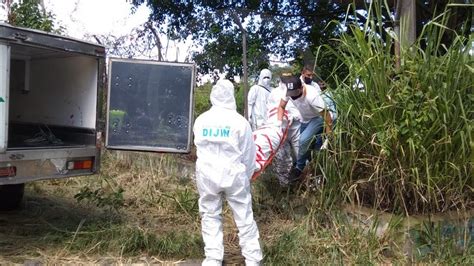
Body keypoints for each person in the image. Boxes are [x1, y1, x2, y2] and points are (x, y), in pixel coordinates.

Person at [193, 79, 263, 266]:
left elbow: (198, 147)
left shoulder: (201, 120)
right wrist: (247, 176)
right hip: (233, 174)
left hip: (207, 174)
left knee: (209, 214)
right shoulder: (240, 122)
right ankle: (253, 259)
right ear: (231, 95)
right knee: (244, 217)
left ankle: (213, 258)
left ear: (213, 95)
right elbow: (249, 154)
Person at [276, 73, 333, 182]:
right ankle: (309, 171)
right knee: (307, 147)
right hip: (304, 119)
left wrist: (328, 137)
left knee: (303, 141)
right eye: (291, 94)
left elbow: (327, 115)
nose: (293, 96)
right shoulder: (288, 91)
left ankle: (298, 168)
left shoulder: (312, 96)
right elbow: (281, 106)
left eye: (295, 93)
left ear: (301, 87)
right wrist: (279, 123)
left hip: (318, 118)